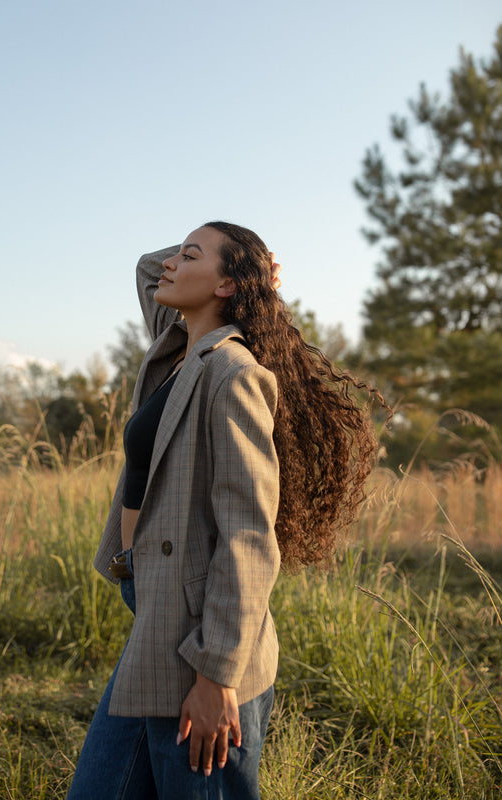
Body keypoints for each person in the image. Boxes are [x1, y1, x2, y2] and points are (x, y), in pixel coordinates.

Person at [67, 221, 381, 800]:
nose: (173, 265)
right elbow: (146, 267)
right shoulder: (177, 350)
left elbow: (249, 533)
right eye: (180, 254)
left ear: (226, 287)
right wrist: (257, 268)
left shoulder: (231, 373)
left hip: (199, 631)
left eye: (191, 256)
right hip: (151, 602)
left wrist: (216, 673)